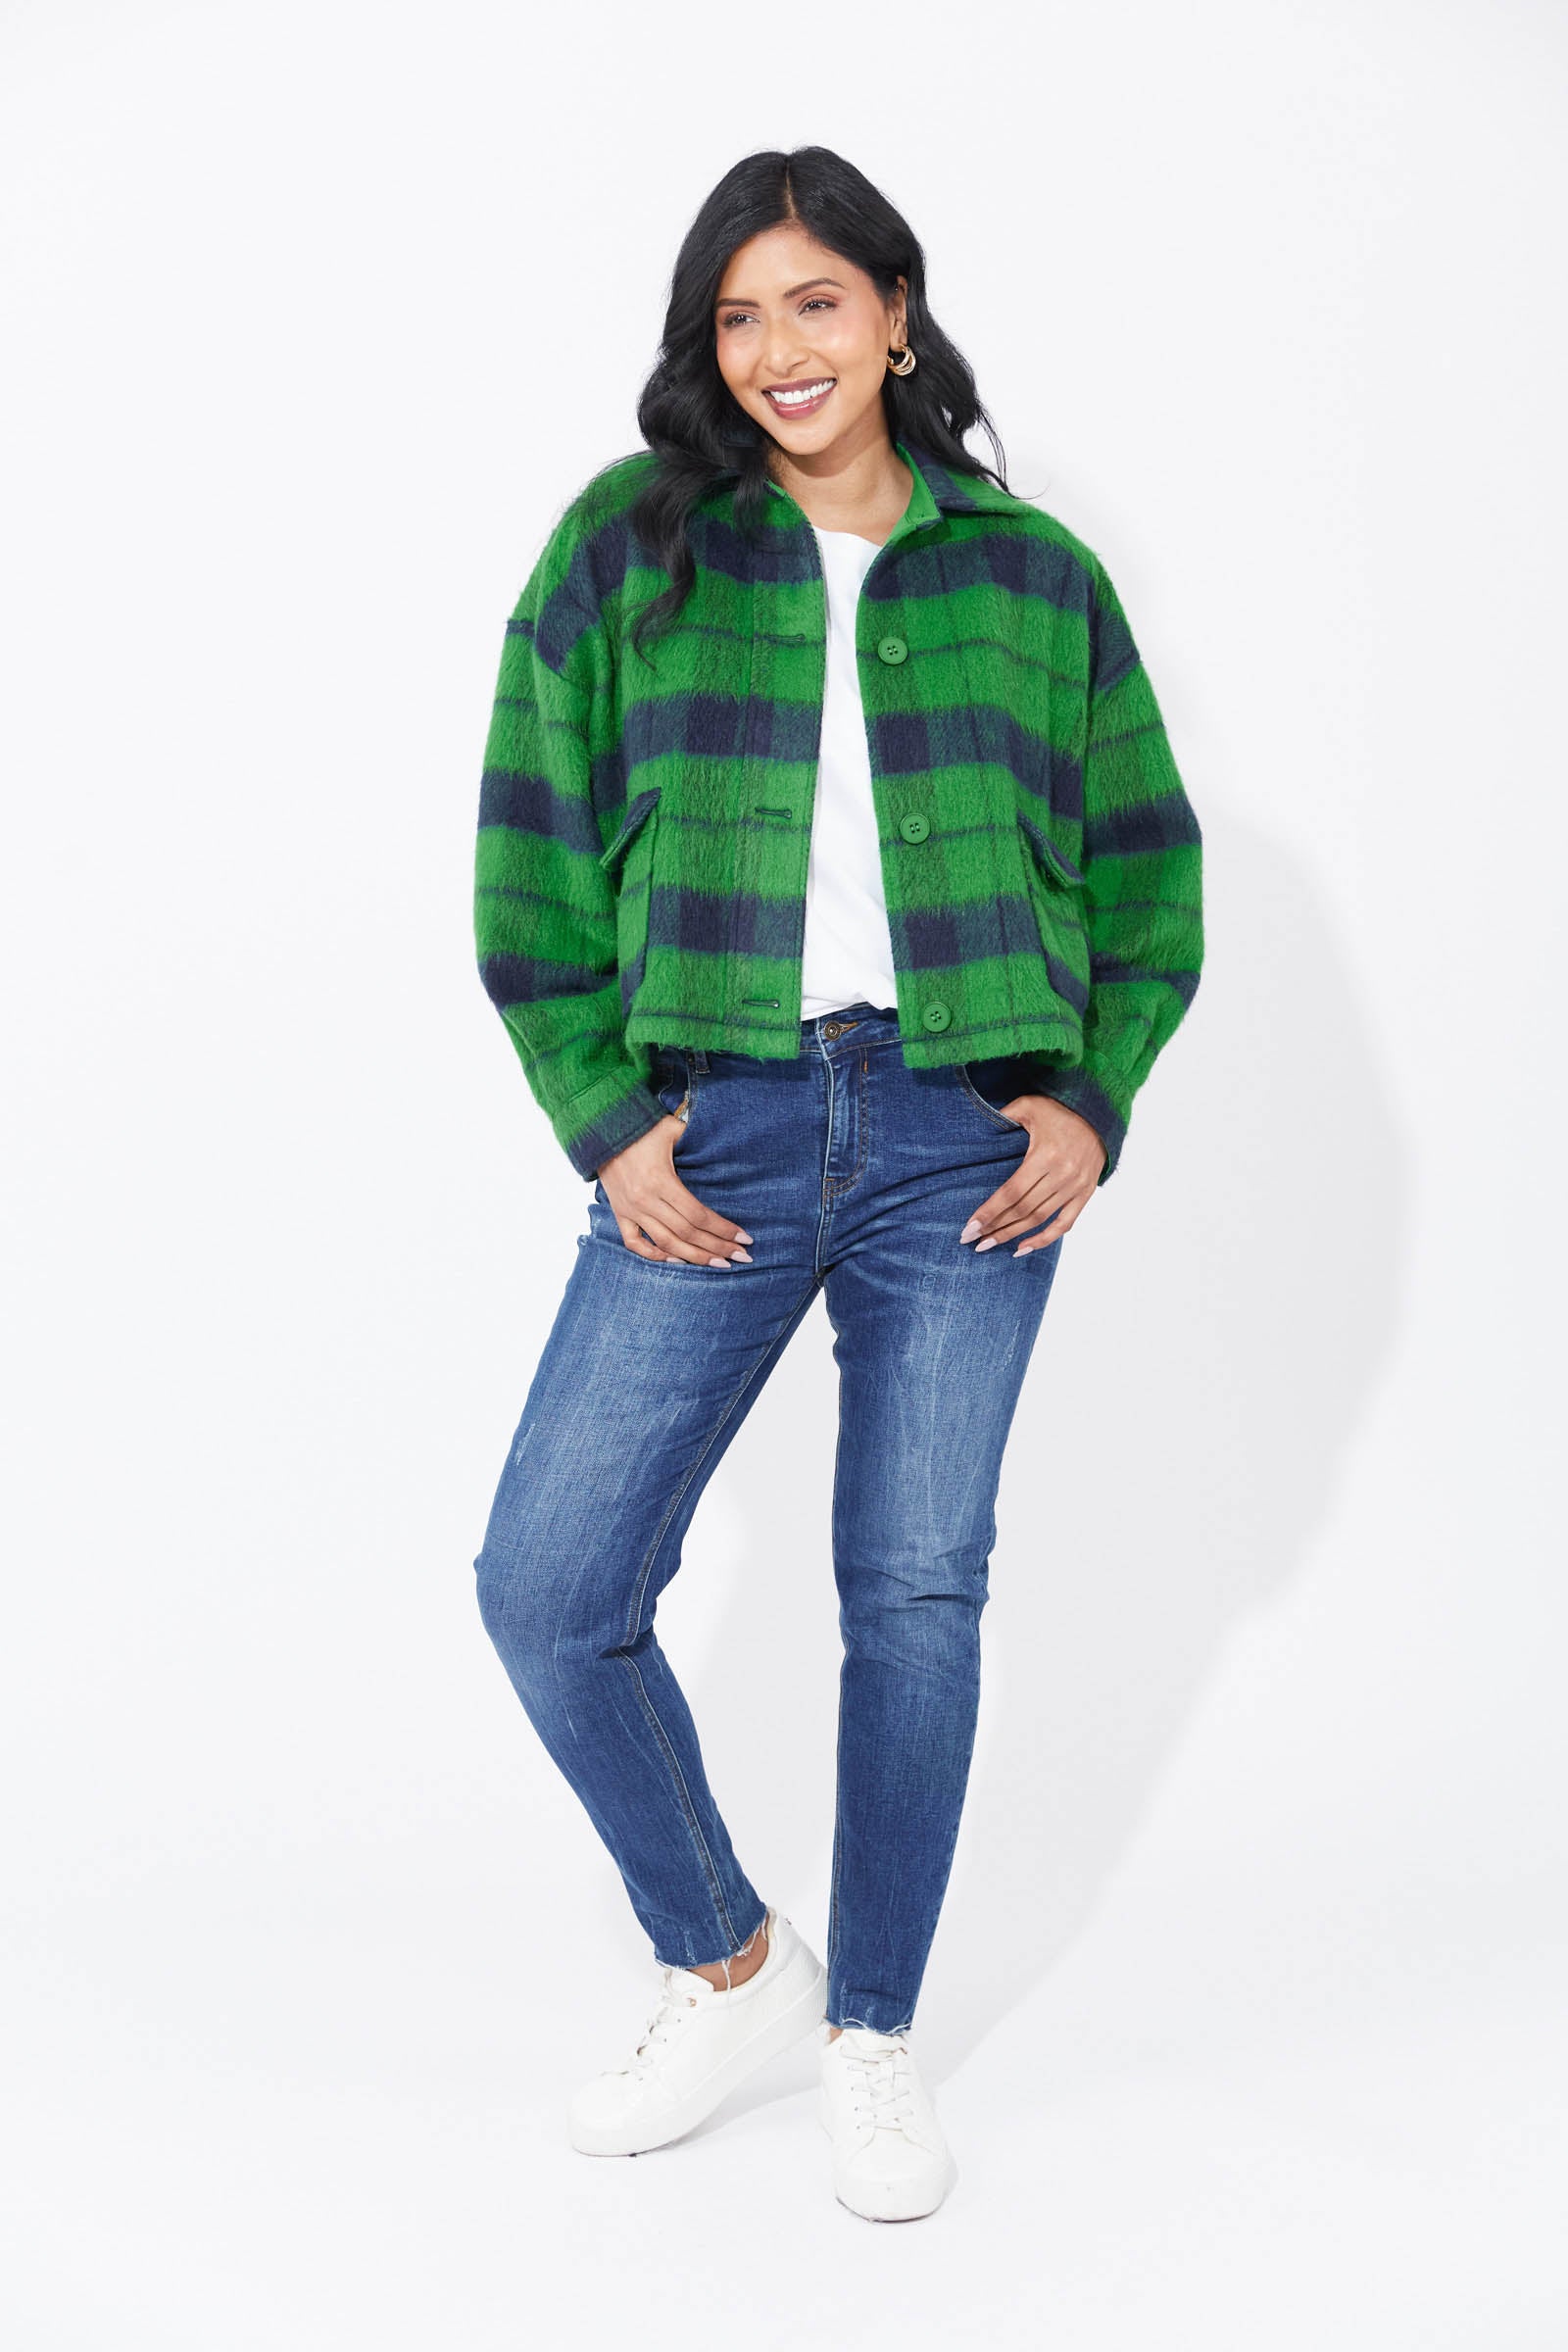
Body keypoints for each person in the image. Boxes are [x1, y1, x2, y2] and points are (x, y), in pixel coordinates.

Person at [470, 145, 1203, 2224]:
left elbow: (1145, 866)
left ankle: (871, 2032)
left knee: (912, 1589)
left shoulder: (1031, 577)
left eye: (815, 302)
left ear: (893, 311)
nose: (777, 349)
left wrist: (1090, 1100)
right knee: (547, 1584)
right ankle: (732, 1967)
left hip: (962, 1140)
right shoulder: (631, 546)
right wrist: (605, 1115)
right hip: (706, 1126)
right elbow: (528, 848)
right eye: (737, 315)